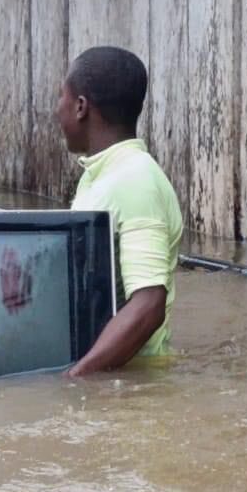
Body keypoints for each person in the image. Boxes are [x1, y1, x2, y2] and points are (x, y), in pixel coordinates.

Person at [55, 46, 183, 376]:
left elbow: (148, 304)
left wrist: (77, 378)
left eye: (62, 98)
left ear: (81, 106)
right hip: (109, 375)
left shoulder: (135, 180)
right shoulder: (101, 176)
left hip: (131, 385)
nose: (58, 110)